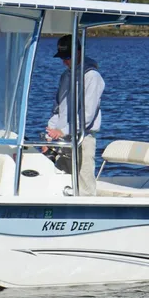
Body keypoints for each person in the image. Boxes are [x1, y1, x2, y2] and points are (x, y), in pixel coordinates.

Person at [45, 35, 105, 196]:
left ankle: (88, 214)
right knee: (58, 179)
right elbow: (57, 109)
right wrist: (50, 134)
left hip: (82, 138)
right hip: (62, 139)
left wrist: (63, 131)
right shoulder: (65, 76)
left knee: (84, 183)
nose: (64, 61)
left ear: (79, 52)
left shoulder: (92, 77)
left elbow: (87, 115)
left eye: (67, 57)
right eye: (62, 57)